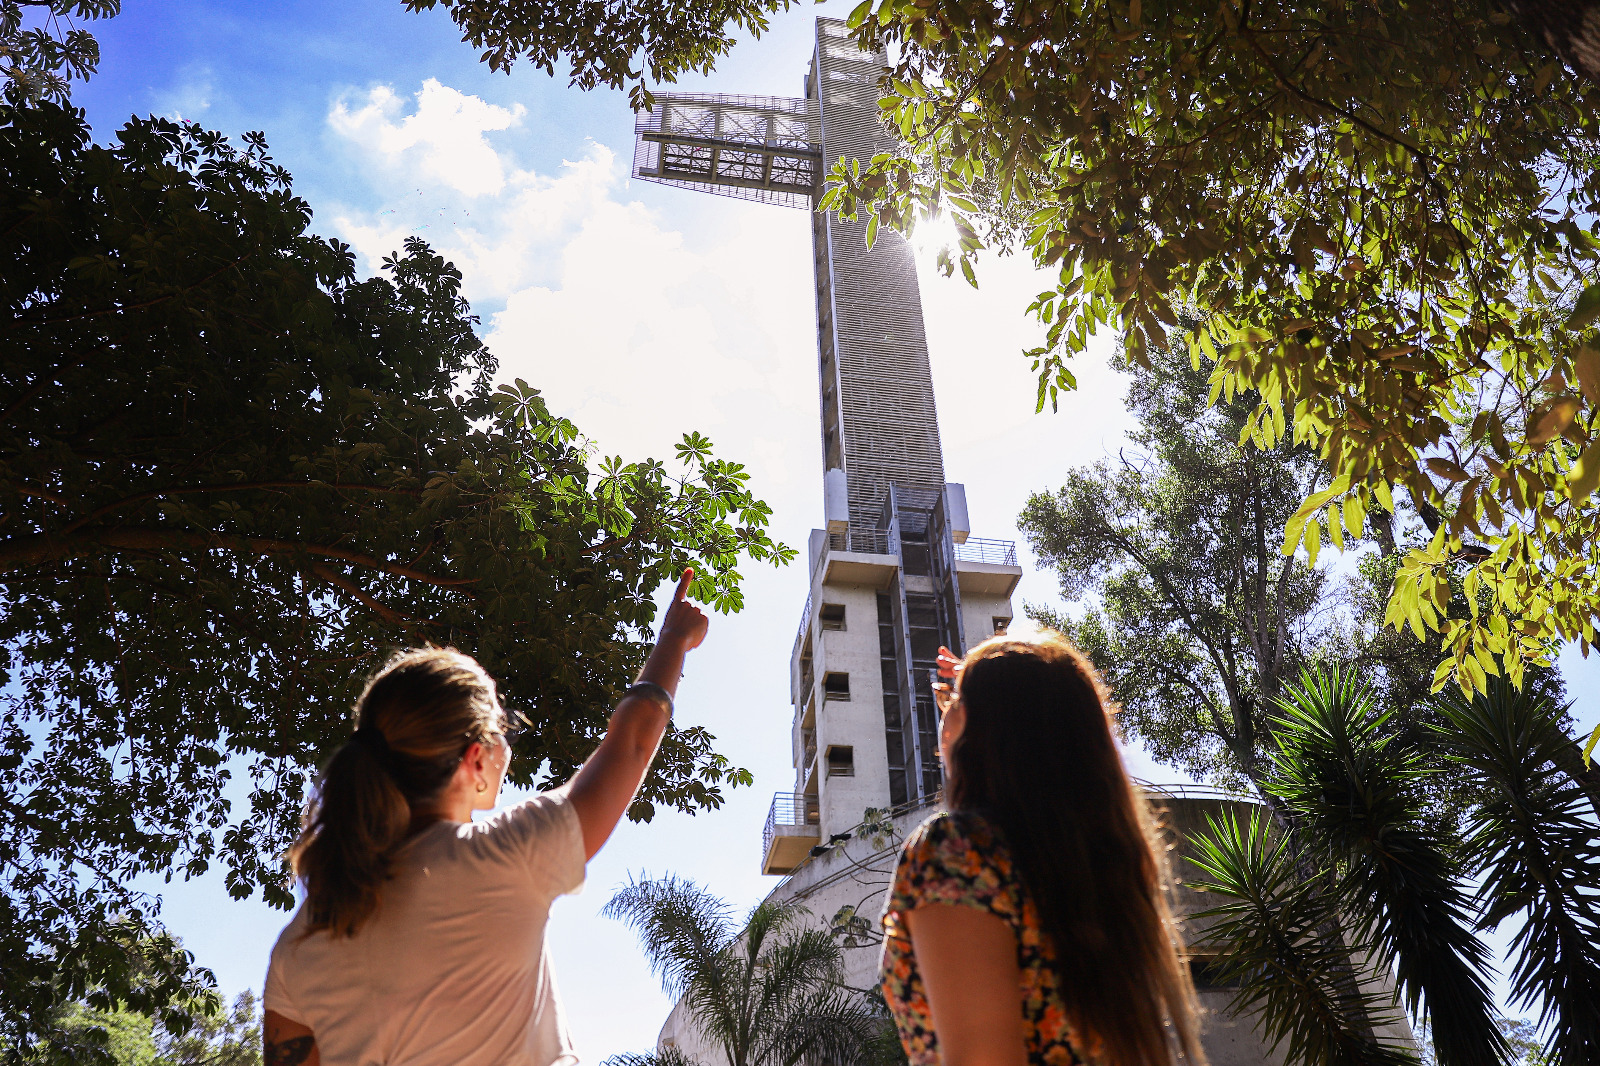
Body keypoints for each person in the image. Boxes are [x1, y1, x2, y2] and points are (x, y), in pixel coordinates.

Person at [261, 569, 710, 1066]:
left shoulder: (298, 946)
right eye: (504, 729)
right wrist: (673, 640)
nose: (508, 747)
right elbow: (631, 744)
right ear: (475, 759)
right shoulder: (507, 854)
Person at [880, 634, 1205, 1066]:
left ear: (984, 729)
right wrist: (1000, 679)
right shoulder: (1094, 874)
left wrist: (991, 677)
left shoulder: (956, 853)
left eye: (954, 700)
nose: (944, 710)